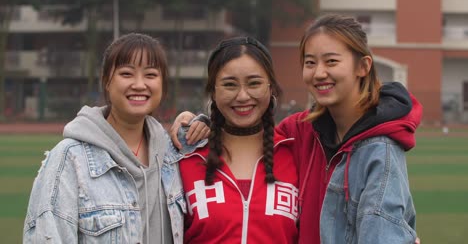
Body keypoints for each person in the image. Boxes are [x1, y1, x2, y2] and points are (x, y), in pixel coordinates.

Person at [173, 14, 422, 244]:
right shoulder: (299, 133)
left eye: (332, 61)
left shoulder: (380, 148)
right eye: (310, 62)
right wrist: (201, 122)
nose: (320, 72)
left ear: (363, 66)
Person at [23, 33, 207, 244]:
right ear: (106, 82)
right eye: (126, 73)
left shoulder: (173, 154)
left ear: (163, 85)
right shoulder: (69, 159)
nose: (139, 84)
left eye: (150, 75)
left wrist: (202, 124)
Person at [177, 36, 299, 243]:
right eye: (230, 85)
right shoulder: (185, 156)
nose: (243, 96)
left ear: (270, 88)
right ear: (213, 92)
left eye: (254, 83)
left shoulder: (296, 152)